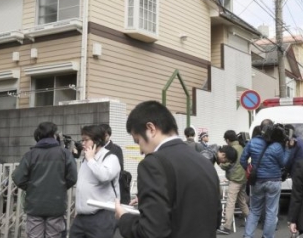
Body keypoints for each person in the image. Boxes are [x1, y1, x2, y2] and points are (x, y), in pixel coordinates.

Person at [115, 100, 221, 238]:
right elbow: (215, 219)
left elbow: (150, 233)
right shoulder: (205, 162)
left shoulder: (153, 164)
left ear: (151, 128)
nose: (140, 150)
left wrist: (123, 218)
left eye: (138, 141)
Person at [13, 122, 77, 238]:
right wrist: (60, 186)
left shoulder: (30, 155)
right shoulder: (64, 154)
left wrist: (32, 188)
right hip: (56, 206)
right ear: (54, 135)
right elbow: (73, 177)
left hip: (34, 206)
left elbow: (18, 178)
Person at [240, 119, 293, 238]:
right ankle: (267, 236)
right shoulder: (277, 146)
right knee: (271, 212)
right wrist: (288, 150)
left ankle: (248, 236)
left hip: (257, 181)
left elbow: (242, 160)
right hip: (274, 181)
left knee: (254, 210)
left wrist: (249, 169)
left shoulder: (252, 142)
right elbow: (283, 163)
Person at [69, 125, 121, 238]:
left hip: (101, 216)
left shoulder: (110, 158)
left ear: (97, 140)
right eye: (82, 140)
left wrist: (91, 160)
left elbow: (104, 176)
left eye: (86, 140)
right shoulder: (86, 159)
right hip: (81, 216)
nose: (83, 143)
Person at [217, 131, 250, 235]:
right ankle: (250, 220)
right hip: (243, 178)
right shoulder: (241, 146)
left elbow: (226, 164)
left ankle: (226, 227)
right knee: (242, 201)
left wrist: (219, 164)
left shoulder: (231, 150)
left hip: (235, 179)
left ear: (227, 140)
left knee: (230, 202)